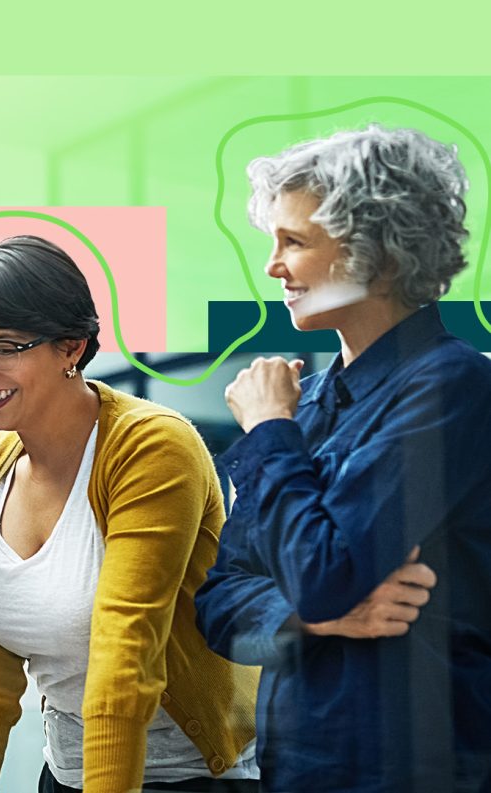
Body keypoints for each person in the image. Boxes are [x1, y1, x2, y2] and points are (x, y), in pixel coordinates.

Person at [196, 125, 491, 793]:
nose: (272, 266)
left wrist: (270, 427)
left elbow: (325, 573)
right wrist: (308, 618)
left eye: (293, 242)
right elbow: (217, 605)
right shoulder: (310, 399)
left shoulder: (454, 387)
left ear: (378, 257)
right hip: (296, 769)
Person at [0, 237, 260, 793]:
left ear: (72, 348)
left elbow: (124, 651)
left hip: (192, 777)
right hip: (67, 773)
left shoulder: (153, 447)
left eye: (4, 347)